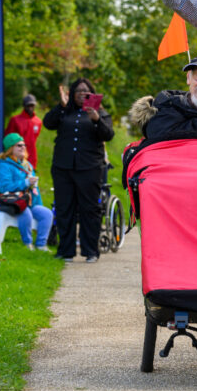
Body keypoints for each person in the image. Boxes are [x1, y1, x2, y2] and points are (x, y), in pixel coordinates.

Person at [43, 77, 115, 263]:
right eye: (78, 91)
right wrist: (61, 105)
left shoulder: (100, 113)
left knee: (89, 210)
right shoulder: (64, 112)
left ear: (93, 94)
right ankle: (65, 251)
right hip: (63, 168)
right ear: (72, 94)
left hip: (89, 168)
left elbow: (108, 135)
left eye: (86, 91)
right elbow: (48, 123)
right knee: (64, 209)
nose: (83, 94)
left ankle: (90, 250)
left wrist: (97, 120)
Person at [0, 133, 53, 251]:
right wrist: (25, 183)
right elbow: (5, 187)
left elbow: (33, 189)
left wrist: (35, 194)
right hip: (11, 202)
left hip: (28, 202)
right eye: (19, 145)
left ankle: (41, 244)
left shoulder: (28, 165)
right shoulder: (4, 165)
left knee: (46, 214)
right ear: (10, 149)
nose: (23, 147)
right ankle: (27, 244)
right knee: (25, 213)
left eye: (24, 145)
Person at [5, 94, 42, 168]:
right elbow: (8, 139)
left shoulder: (38, 121)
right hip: (17, 155)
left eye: (32, 105)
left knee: (30, 177)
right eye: (28, 106)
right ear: (24, 106)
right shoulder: (15, 120)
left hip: (31, 155)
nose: (31, 108)